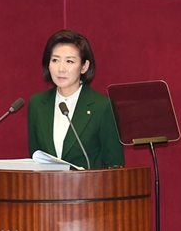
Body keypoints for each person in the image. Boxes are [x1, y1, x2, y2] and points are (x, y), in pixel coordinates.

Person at [28, 29, 124, 169]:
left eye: (69, 61)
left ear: (84, 66)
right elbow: (35, 157)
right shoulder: (37, 104)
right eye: (55, 60)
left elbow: (115, 165)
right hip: (47, 189)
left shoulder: (101, 106)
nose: (61, 68)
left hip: (89, 189)